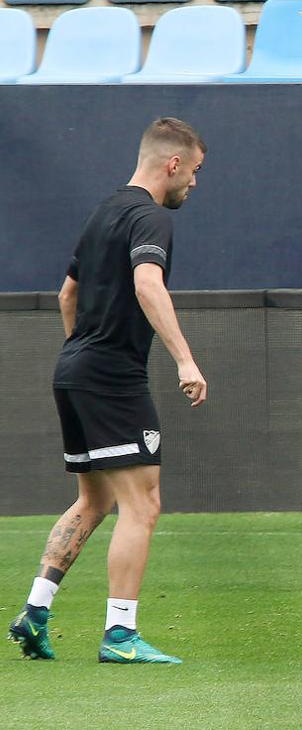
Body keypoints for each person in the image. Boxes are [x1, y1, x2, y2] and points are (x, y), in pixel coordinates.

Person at [8, 118, 208, 664]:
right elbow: (148, 282)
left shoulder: (103, 213)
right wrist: (186, 360)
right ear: (173, 164)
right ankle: (120, 635)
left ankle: (36, 609)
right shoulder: (150, 217)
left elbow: (67, 293)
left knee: (93, 500)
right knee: (143, 505)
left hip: (73, 370)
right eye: (194, 171)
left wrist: (81, 352)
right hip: (111, 378)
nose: (194, 183)